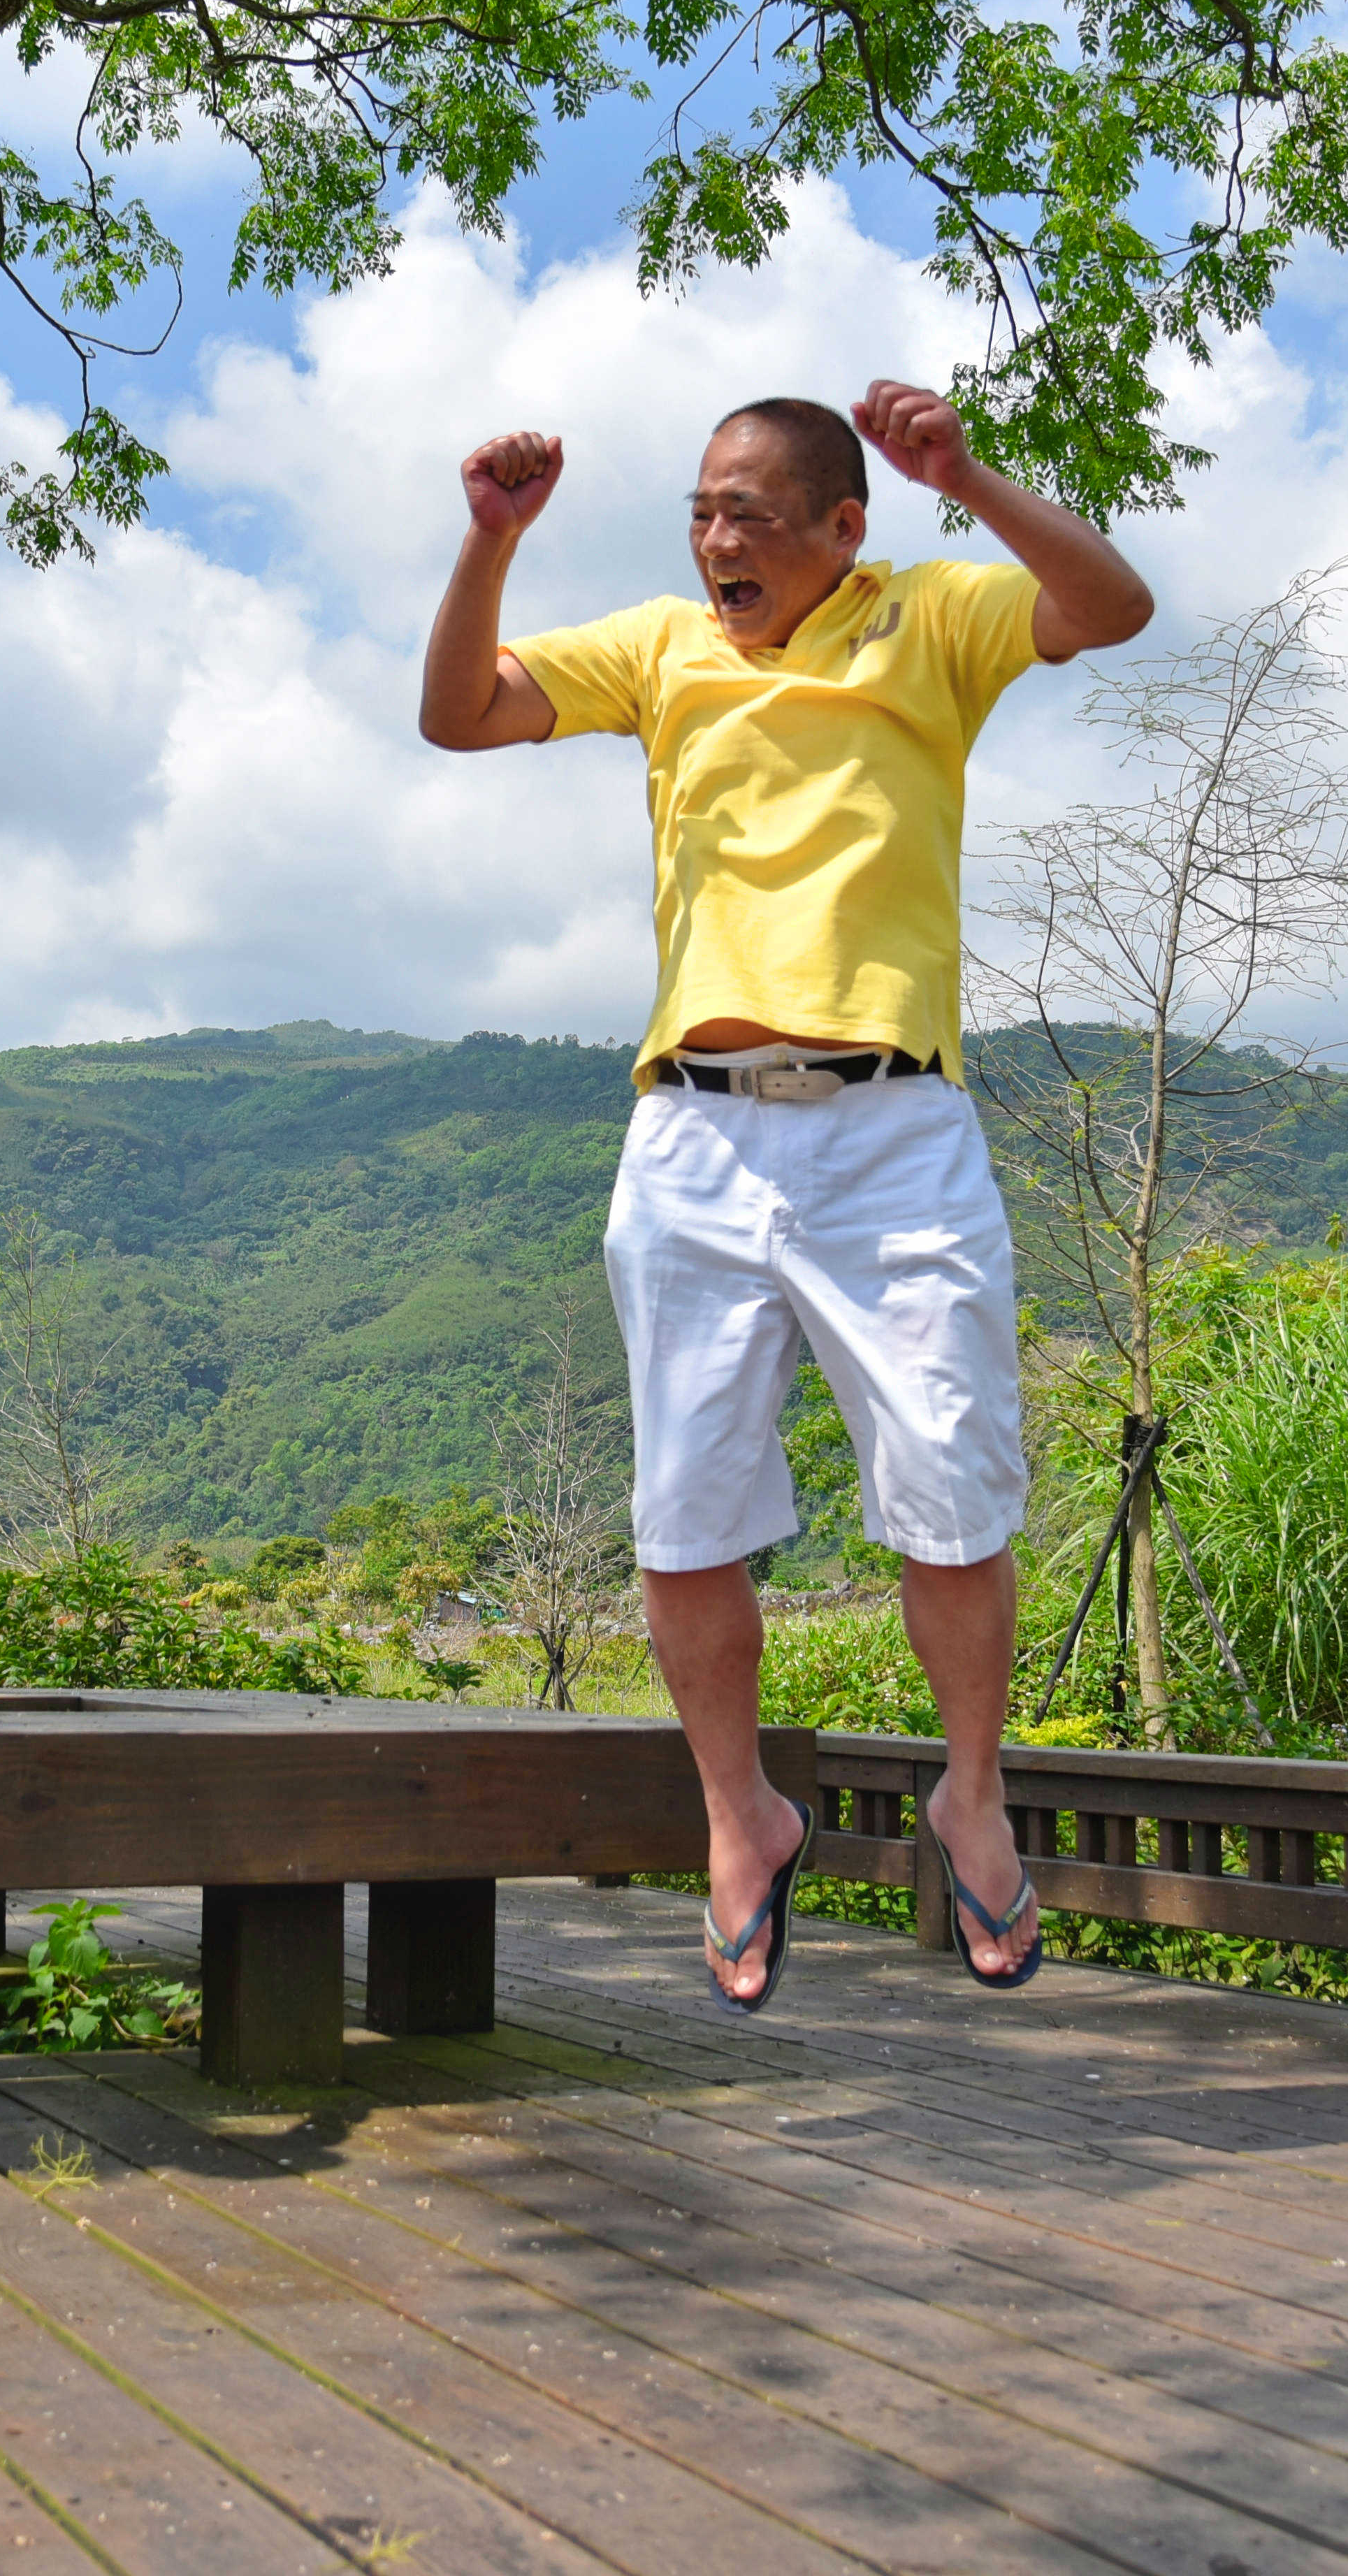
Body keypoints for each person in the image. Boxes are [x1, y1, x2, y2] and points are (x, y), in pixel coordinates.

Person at [420, 380, 1152, 2009]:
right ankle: (736, 1810)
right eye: (700, 508)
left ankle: (971, 1788)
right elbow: (460, 711)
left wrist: (966, 472)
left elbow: (1110, 603)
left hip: (894, 1132)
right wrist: (488, 544)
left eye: (750, 511)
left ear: (843, 526)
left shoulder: (933, 621)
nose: (716, 537)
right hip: (693, 1132)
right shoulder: (664, 647)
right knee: (682, 1513)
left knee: (953, 1487)